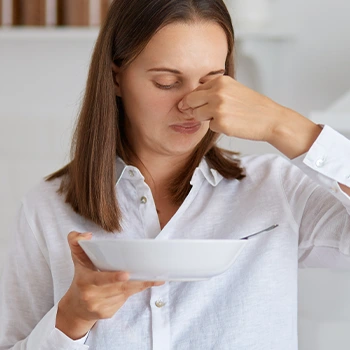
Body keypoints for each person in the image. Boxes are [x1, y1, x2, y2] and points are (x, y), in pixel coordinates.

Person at [1, 0, 350, 349]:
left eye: (211, 82)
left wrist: (283, 125)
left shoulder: (279, 190)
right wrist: (71, 320)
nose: (191, 104)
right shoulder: (46, 208)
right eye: (167, 82)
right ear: (116, 77)